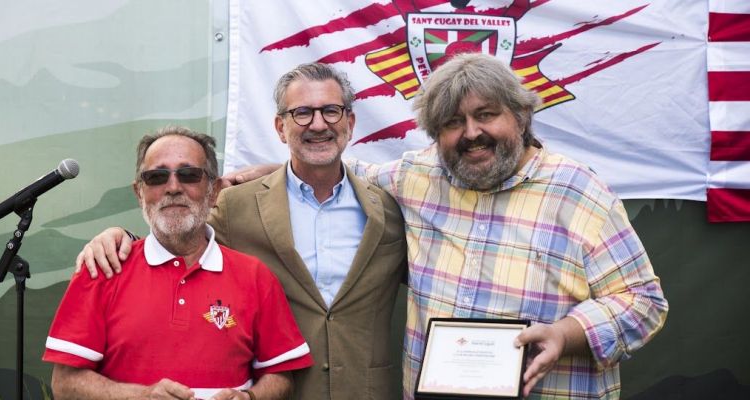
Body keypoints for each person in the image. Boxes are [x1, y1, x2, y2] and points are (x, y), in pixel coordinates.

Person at [344, 52, 669, 399]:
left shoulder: (577, 191)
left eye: (486, 114)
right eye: (453, 122)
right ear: (435, 135)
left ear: (521, 115)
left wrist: (565, 333)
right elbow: (338, 175)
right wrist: (279, 173)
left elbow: (644, 301)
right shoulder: (417, 177)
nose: (471, 133)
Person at [76, 64, 408, 400]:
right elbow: (179, 233)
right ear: (281, 127)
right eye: (303, 113)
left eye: (331, 111)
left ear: (349, 123)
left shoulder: (389, 211)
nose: (318, 124)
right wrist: (120, 237)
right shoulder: (237, 205)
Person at [44, 126, 312, 400]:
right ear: (140, 193)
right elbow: (65, 384)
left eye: (189, 175)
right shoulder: (103, 268)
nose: (173, 188)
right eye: (157, 177)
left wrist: (250, 398)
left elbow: (280, 376)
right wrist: (142, 396)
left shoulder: (255, 276)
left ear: (214, 190)